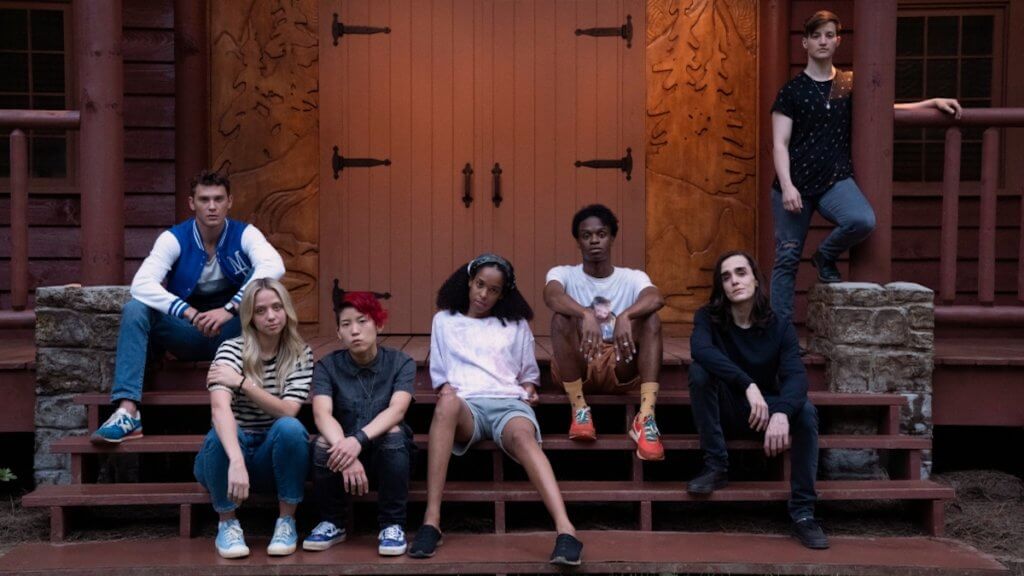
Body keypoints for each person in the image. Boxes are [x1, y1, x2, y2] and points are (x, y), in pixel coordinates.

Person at [770, 10, 962, 320]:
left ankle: (825, 256)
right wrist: (789, 185)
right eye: (816, 36)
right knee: (787, 258)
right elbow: (779, 143)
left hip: (834, 179)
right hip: (795, 185)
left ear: (838, 41)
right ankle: (780, 337)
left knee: (862, 220)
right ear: (805, 43)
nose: (823, 41)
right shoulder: (791, 92)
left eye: (829, 35)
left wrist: (931, 103)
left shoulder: (847, 84)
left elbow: (886, 108)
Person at [408, 254, 583, 566]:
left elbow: (528, 374)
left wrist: (529, 390)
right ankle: (431, 521)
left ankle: (566, 530)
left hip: (507, 404)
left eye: (493, 290)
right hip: (467, 407)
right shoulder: (444, 321)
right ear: (468, 281)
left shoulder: (514, 325)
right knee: (446, 403)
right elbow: (440, 375)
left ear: (503, 293)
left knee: (524, 438)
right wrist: (445, 390)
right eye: (479, 285)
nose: (483, 295)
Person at [92, 170, 286, 443]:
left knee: (272, 299)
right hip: (187, 332)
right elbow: (141, 284)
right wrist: (189, 313)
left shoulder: (245, 234)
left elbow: (274, 265)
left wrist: (229, 308)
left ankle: (278, 391)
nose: (212, 206)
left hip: (235, 332)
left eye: (218, 199)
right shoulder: (174, 238)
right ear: (191, 203)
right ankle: (127, 412)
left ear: (229, 201)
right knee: (135, 308)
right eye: (204, 199)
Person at [688, 251, 827, 550]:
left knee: (805, 411)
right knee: (700, 372)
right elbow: (701, 351)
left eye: (741, 273)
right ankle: (716, 465)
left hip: (767, 413)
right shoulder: (707, 318)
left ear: (755, 279)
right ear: (720, 286)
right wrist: (747, 383)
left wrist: (783, 413)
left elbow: (796, 377)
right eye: (726, 277)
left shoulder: (778, 326)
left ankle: (803, 513)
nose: (734, 281)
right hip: (726, 408)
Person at [193, 278, 313, 559]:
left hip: (271, 455)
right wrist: (236, 460)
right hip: (232, 452)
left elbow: (288, 410)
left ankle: (286, 521)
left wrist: (243, 383)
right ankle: (227, 523)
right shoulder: (230, 350)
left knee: (291, 428)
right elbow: (219, 410)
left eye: (277, 307)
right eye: (261, 310)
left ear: (287, 310)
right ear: (249, 316)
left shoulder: (300, 354)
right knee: (221, 433)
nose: (271, 316)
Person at [545, 204, 667, 461]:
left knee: (651, 320)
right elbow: (552, 296)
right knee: (560, 319)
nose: (594, 241)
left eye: (601, 234)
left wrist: (627, 315)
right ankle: (579, 409)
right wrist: (585, 314)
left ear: (612, 237)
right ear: (578, 241)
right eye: (586, 235)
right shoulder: (563, 273)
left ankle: (645, 417)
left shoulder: (632, 277)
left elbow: (655, 297)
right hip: (580, 362)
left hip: (619, 363)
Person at [303, 286, 415, 556]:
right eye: (346, 324)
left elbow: (397, 410)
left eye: (362, 321)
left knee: (394, 432)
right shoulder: (327, 366)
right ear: (339, 333)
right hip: (343, 459)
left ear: (379, 324)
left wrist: (358, 440)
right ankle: (333, 521)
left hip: (387, 455)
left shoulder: (402, 362)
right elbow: (322, 414)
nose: (355, 330)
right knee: (321, 444)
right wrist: (346, 448)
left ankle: (392, 524)